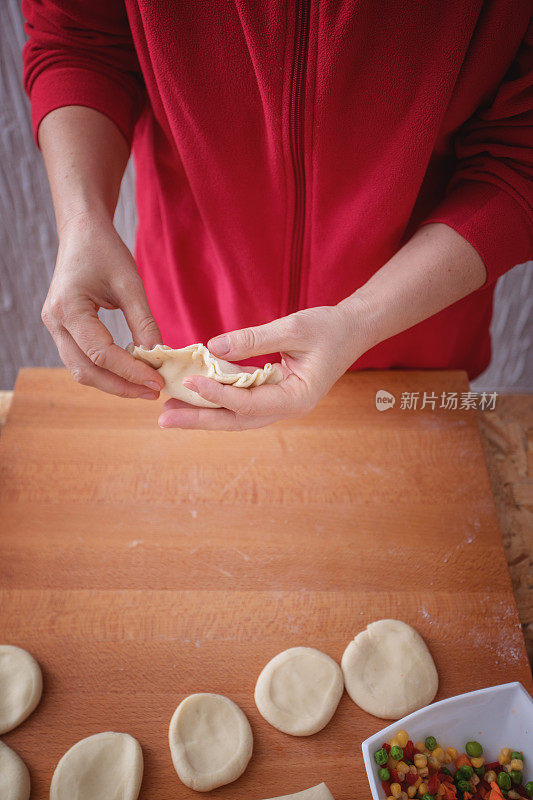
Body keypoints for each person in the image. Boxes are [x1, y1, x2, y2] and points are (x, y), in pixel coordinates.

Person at [22, 1, 532, 431]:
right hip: (191, 303)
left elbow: (520, 153)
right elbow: (80, 41)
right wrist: (82, 219)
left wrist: (362, 320)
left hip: (411, 333)